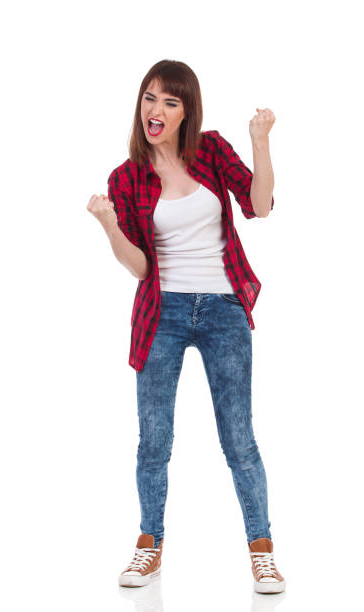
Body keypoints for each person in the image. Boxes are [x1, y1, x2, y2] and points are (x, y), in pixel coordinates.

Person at [86, 59, 285, 594]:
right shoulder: (126, 178)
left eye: (171, 102)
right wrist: (109, 224)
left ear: (186, 112)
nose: (157, 110)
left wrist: (260, 141)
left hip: (223, 308)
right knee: (154, 440)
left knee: (239, 439)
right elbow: (141, 267)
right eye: (151, 98)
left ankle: (262, 550)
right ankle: (149, 546)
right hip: (162, 313)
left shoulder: (213, 151)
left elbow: (259, 206)